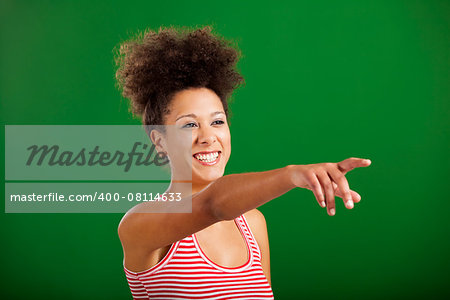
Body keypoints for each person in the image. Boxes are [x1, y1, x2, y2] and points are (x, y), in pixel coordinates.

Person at [114, 24, 371, 299]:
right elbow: (211, 205)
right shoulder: (139, 224)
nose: (208, 137)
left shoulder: (252, 223)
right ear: (160, 141)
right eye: (189, 125)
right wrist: (292, 175)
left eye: (217, 121)